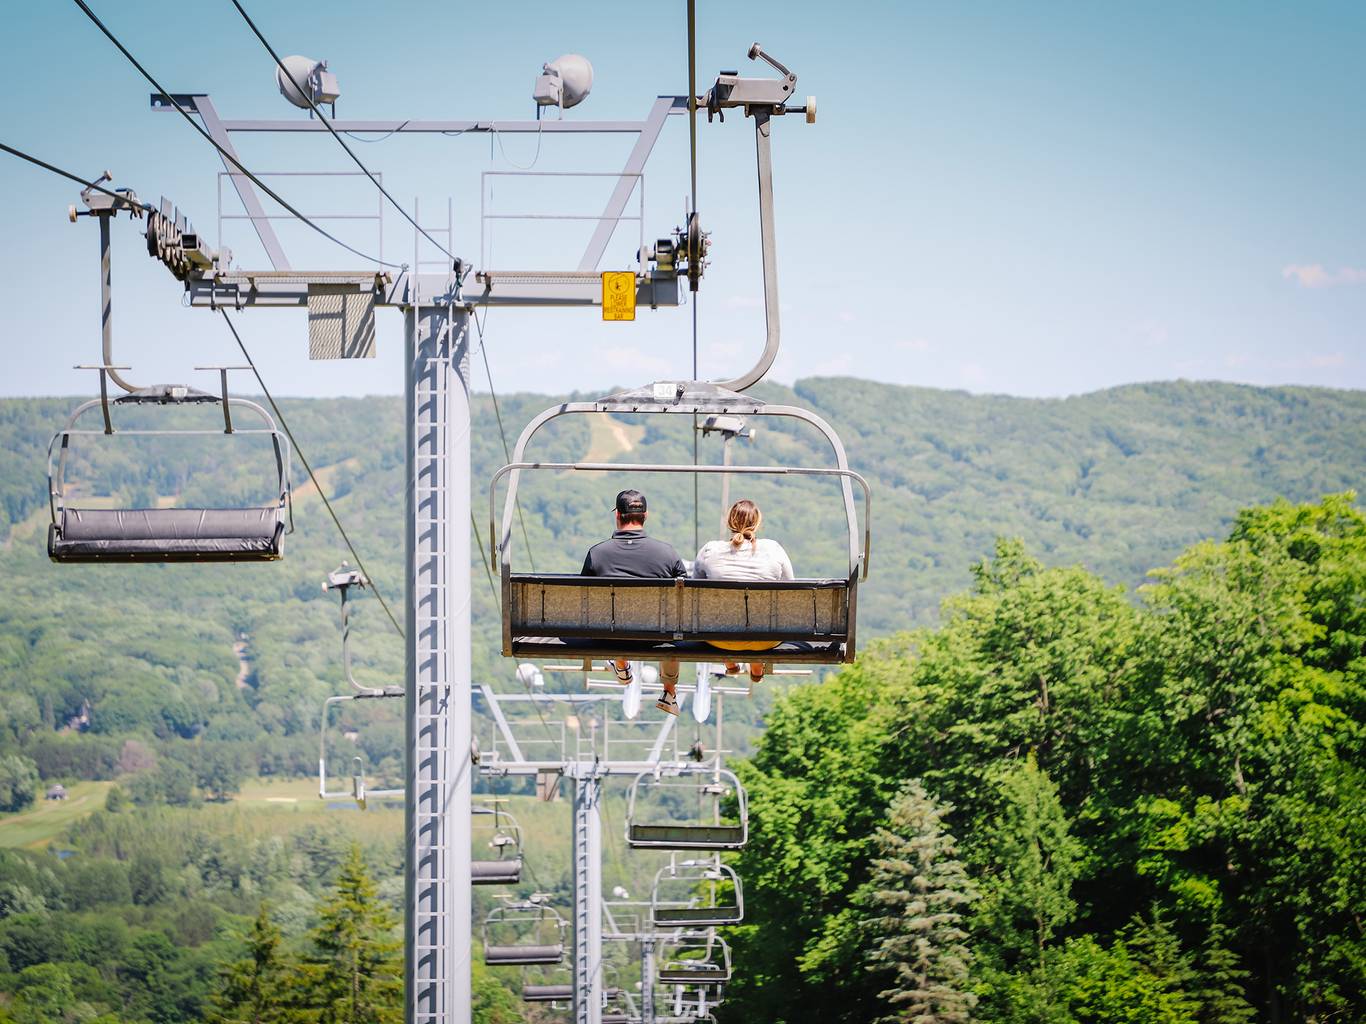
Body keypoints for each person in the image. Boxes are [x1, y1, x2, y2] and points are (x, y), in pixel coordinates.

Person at [581, 489, 686, 715]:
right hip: (656, 639)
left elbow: (584, 600)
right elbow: (684, 600)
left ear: (617, 515)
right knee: (675, 628)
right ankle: (669, 691)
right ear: (645, 516)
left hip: (608, 637)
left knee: (615, 616)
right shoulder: (667, 553)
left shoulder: (597, 554)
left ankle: (620, 662)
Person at [692, 499, 794, 683]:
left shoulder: (710, 550)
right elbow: (792, 592)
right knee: (757, 618)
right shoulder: (773, 549)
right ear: (757, 523)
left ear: (729, 522)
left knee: (721, 616)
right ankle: (756, 659)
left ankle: (730, 661)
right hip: (766, 639)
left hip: (717, 639)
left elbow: (694, 596)